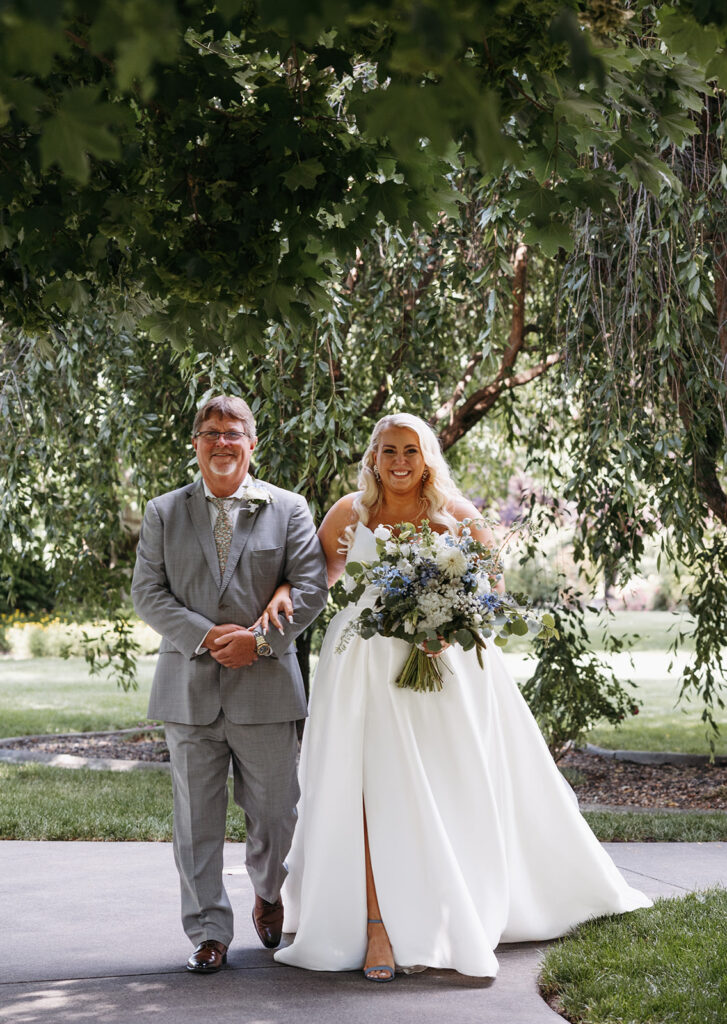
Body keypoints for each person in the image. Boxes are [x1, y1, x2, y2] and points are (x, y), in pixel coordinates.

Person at [269, 412, 651, 981]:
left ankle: (452, 907)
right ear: (373, 457)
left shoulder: (459, 517)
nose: (399, 461)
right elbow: (315, 580)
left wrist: (449, 621)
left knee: (443, 788)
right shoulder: (349, 514)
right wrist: (279, 592)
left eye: (411, 451)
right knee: (366, 785)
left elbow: (492, 596)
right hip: (361, 671)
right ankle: (376, 927)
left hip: (440, 673)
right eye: (389, 450)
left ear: (427, 459)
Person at [131, 395, 328, 974]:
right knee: (195, 822)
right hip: (187, 691)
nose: (222, 441)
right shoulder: (164, 512)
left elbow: (310, 588)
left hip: (266, 687)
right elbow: (148, 592)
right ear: (195, 442)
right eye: (210, 432)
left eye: (233, 432)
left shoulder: (289, 509)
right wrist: (209, 634)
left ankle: (270, 893)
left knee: (275, 810)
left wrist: (258, 643)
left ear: (252, 442)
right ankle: (209, 932)